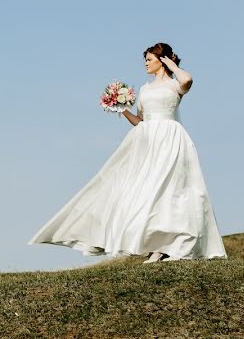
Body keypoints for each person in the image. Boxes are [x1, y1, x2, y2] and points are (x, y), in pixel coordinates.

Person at [28, 42, 226, 263]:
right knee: (149, 191)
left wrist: (169, 61)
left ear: (162, 60)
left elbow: (187, 80)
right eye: (145, 60)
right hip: (147, 142)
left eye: (149, 59)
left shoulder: (174, 85)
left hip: (170, 138)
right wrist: (120, 108)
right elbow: (140, 120)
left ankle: (173, 245)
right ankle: (157, 246)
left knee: (171, 191)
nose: (145, 64)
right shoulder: (144, 89)